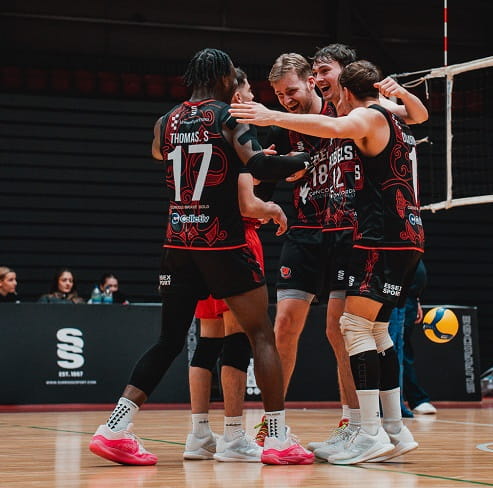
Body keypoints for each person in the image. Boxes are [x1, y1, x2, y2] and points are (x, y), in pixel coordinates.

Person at [88, 48, 314, 467]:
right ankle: (278, 438)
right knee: (260, 335)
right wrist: (303, 158)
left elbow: (160, 152)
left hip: (177, 244)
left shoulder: (166, 121)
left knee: (170, 340)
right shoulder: (228, 117)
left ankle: (114, 429)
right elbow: (261, 165)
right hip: (222, 244)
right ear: (223, 77)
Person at [230, 59, 425, 464]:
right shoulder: (295, 126)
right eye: (280, 96)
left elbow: (413, 115)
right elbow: (264, 172)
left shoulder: (351, 115)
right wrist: (279, 167)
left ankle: (359, 425)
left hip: (354, 233)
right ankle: (291, 424)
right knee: (294, 325)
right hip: (310, 233)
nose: (288, 99)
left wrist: (268, 114)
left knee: (347, 329)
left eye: (295, 89)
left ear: (319, 84)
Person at [306, 44, 429, 458]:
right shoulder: (392, 115)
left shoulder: (368, 116)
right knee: (375, 331)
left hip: (379, 236)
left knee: (351, 328)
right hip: (407, 235)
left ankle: (369, 432)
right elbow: (419, 115)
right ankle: (394, 431)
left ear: (347, 84)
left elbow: (336, 128)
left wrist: (270, 116)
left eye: (327, 74)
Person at [184, 67, 286, 463]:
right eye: (244, 91)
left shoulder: (195, 128)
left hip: (197, 241)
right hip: (236, 239)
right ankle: (233, 436)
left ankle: (198, 435)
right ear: (233, 92)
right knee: (240, 339)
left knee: (207, 341)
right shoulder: (233, 131)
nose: (248, 98)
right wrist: (273, 207)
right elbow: (247, 202)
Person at [402, 259, 437, 415]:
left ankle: (415, 399)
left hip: (409, 298)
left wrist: (415, 300)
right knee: (396, 350)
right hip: (394, 297)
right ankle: (414, 400)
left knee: (404, 350)